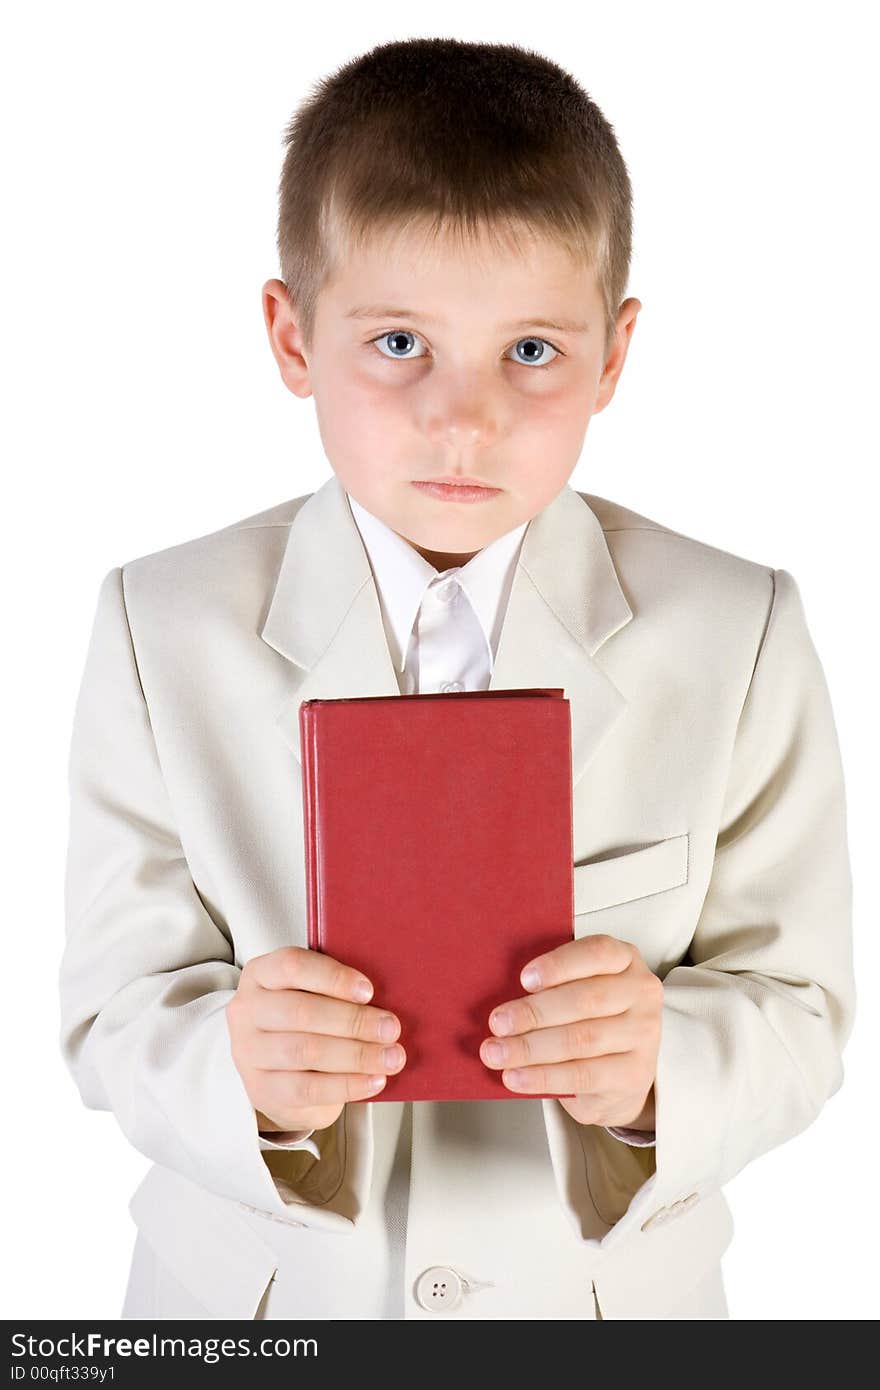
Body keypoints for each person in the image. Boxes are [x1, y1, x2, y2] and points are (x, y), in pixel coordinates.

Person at [60, 36, 855, 1321]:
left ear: (613, 355)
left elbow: (798, 1006)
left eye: (530, 351)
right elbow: (114, 1009)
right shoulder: (160, 624)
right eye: (396, 342)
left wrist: (662, 1066)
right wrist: (237, 1065)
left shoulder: (738, 628)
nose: (462, 418)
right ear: (291, 335)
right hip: (257, 1311)